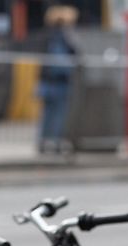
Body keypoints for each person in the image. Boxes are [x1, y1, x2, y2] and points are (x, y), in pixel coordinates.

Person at [37, 5, 79, 154]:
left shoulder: (46, 35)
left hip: (45, 81)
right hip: (59, 82)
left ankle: (43, 142)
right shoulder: (63, 37)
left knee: (47, 114)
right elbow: (70, 57)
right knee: (58, 115)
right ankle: (54, 143)